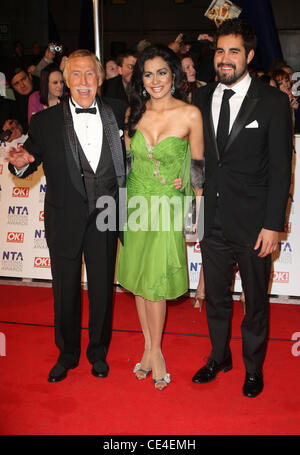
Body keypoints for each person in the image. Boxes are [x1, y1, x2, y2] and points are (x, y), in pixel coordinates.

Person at [6, 49, 127, 383]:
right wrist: (22, 163)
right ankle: (67, 353)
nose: (84, 82)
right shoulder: (44, 121)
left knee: (102, 289)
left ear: (100, 79)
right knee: (66, 290)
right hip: (64, 217)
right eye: (76, 75)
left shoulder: (118, 111)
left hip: (106, 214)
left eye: (90, 74)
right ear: (64, 82)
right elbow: (31, 156)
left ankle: (98, 352)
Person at [192, 19, 292, 398]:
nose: (225, 58)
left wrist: (272, 225)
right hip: (212, 222)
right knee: (216, 299)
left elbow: (282, 169)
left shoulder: (273, 102)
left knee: (255, 303)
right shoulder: (200, 99)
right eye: (220, 51)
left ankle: (253, 368)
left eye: (234, 51)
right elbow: (199, 158)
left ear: (249, 55)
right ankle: (219, 357)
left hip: (254, 225)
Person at [117, 44, 204, 390]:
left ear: (174, 76)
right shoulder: (133, 113)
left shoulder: (190, 114)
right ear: (141, 79)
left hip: (168, 206)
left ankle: (156, 352)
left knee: (154, 284)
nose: (155, 81)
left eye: (162, 73)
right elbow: (127, 164)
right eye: (148, 74)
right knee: (139, 281)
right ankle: (147, 348)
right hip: (137, 205)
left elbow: (198, 170)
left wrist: (195, 213)